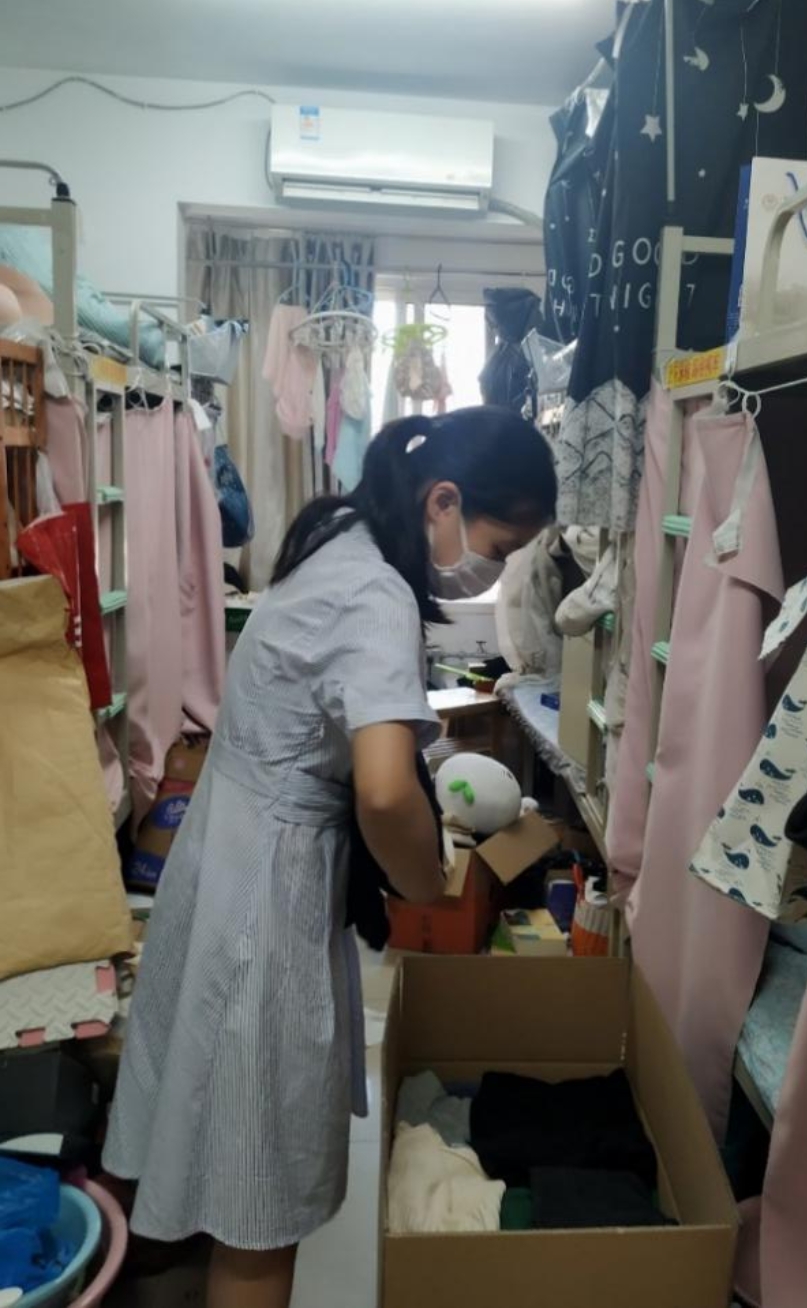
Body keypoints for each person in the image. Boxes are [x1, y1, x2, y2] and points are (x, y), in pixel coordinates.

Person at [103, 406, 557, 1308]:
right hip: (266, 887)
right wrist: (426, 883)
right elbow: (383, 791)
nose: (496, 570)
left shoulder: (339, 536)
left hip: (229, 847)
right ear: (443, 501)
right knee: (261, 1197)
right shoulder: (378, 592)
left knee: (207, 1105)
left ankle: (149, 1254)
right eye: (500, 547)